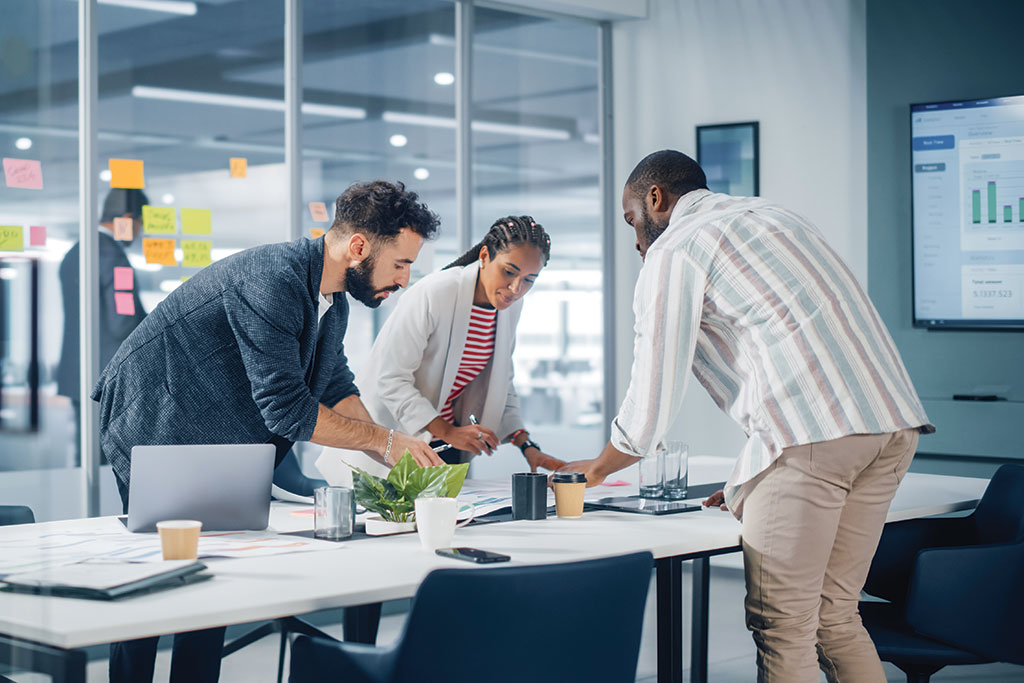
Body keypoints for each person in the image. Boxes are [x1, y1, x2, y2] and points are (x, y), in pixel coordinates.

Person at [557, 150, 934, 683]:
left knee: (784, 629)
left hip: (815, 436)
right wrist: (756, 476)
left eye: (631, 221)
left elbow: (654, 386)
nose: (636, 241)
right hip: (890, 425)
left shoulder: (676, 249)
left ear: (655, 200)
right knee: (834, 617)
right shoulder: (776, 218)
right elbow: (796, 351)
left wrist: (598, 467)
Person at [91, 180, 443, 683]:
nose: (404, 280)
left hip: (215, 428)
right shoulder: (273, 277)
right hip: (155, 415)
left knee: (212, 574)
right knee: (159, 569)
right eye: (401, 264)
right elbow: (287, 409)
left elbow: (335, 382)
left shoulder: (332, 299)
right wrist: (385, 441)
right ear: (360, 247)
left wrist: (388, 452)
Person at [323, 215, 567, 478]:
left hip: (445, 442)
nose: (516, 288)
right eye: (509, 272)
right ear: (484, 256)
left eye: (529, 280)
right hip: (395, 437)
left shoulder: (509, 307)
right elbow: (391, 379)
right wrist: (448, 431)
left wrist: (526, 445)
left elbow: (502, 383)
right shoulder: (436, 292)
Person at [56, 188, 148, 466]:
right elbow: (123, 320)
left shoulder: (76, 252)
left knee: (87, 456)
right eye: (141, 225)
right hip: (109, 378)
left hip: (79, 374)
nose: (140, 234)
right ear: (128, 218)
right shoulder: (113, 256)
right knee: (110, 458)